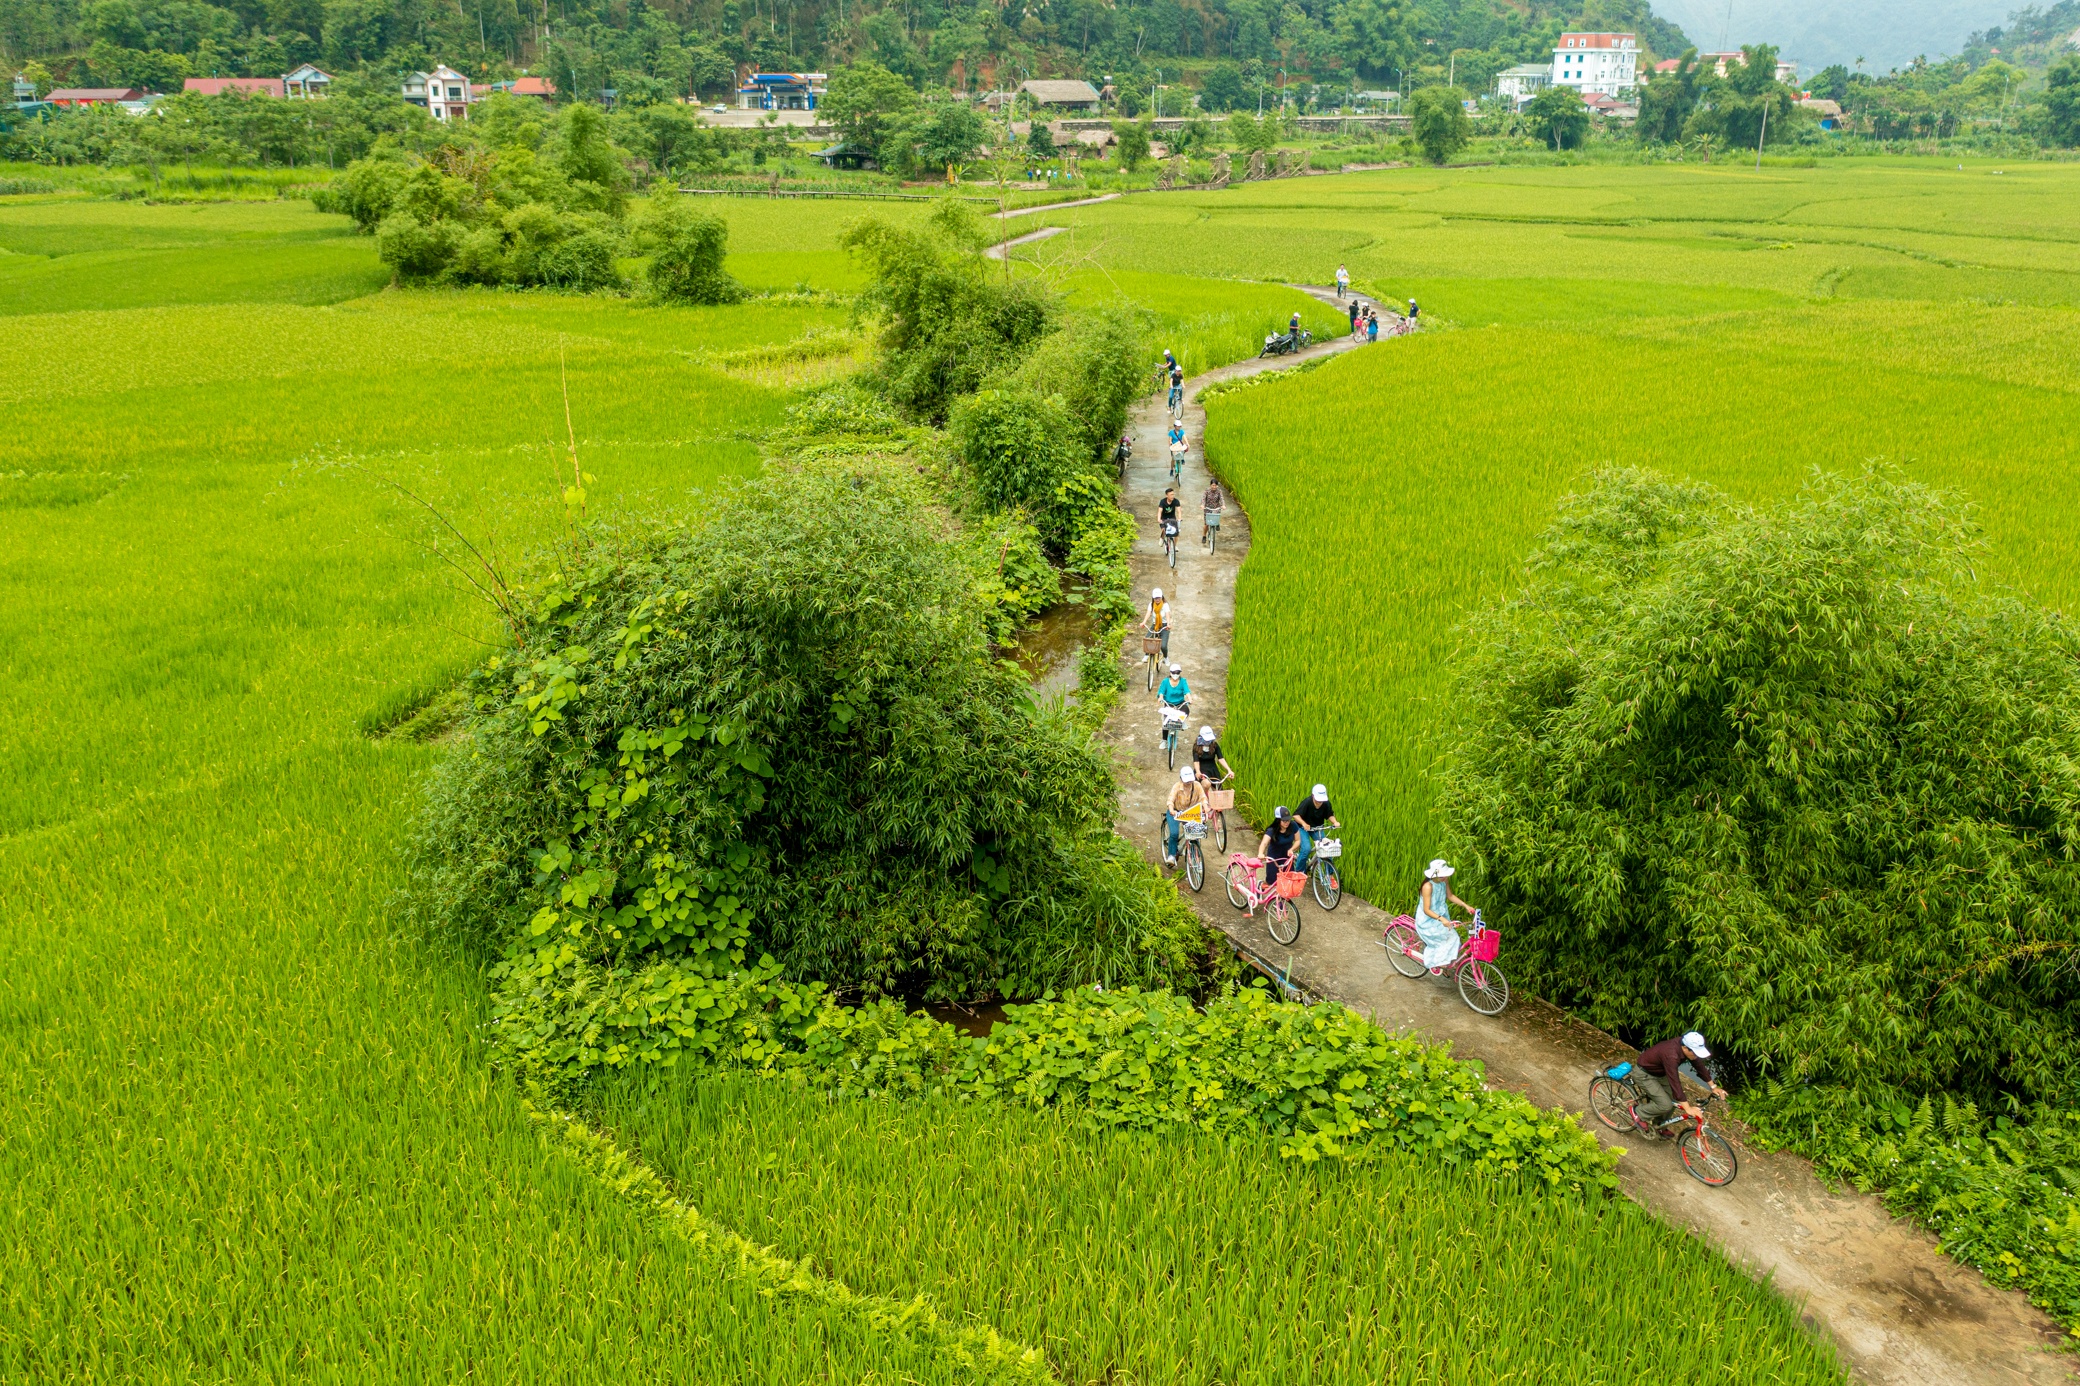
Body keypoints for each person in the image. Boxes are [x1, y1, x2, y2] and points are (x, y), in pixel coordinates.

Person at [1634, 1032, 1727, 1132]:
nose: (1696, 1056)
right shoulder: (1671, 1055)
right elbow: (1675, 1082)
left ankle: (1660, 1125)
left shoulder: (1687, 1047)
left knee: (1674, 1099)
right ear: (1685, 1048)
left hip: (1660, 1072)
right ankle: (1638, 1112)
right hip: (1644, 1074)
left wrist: (1713, 1087)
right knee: (1665, 1105)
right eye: (1695, 1053)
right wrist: (1688, 1108)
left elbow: (1699, 1066)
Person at [1413, 858, 1474, 972]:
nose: (1445, 877)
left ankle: (1443, 961)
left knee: (1453, 936)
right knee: (1448, 938)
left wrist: (1465, 905)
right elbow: (1426, 910)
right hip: (1428, 920)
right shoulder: (1428, 886)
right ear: (1434, 874)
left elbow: (1450, 896)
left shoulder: (1443, 881)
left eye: (1445, 875)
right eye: (1442, 876)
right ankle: (1435, 961)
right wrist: (1441, 919)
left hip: (1441, 917)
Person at [1292, 783, 1340, 872]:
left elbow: (1329, 814)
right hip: (1302, 828)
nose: (1320, 803)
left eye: (1321, 801)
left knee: (1327, 848)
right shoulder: (1307, 802)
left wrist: (1335, 822)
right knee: (1306, 849)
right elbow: (1296, 815)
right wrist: (1304, 823)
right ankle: (1298, 873)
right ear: (1313, 796)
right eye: (1318, 800)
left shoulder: (1326, 803)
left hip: (1317, 828)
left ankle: (1330, 875)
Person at [1164, 765, 1206, 866]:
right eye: (1186, 781)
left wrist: (1206, 808)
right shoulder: (1177, 786)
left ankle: (1196, 858)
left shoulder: (1197, 786)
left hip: (1190, 813)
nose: (1188, 783)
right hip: (1176, 812)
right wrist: (1171, 809)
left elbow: (1203, 798)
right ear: (1181, 779)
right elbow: (1170, 800)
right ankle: (1171, 855)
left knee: (1195, 835)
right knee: (1174, 833)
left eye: (1190, 780)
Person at [1257, 806, 1304, 889]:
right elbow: (1264, 843)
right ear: (1278, 820)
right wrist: (1260, 853)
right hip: (1274, 858)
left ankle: (1280, 900)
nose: (1287, 822)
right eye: (1284, 820)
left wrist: (1291, 849)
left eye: (1288, 820)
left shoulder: (1293, 825)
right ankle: (1261, 886)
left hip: (1287, 858)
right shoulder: (1272, 830)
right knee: (1271, 882)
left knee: (1288, 880)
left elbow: (1298, 840)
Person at [1156, 662, 1190, 746]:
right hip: (1169, 704)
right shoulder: (1165, 682)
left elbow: (1187, 691)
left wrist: (1190, 698)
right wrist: (1160, 697)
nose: (1175, 675)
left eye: (1177, 673)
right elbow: (1161, 691)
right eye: (1174, 673)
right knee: (1166, 722)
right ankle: (1164, 740)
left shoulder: (1183, 681)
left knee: (1186, 710)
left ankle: (1182, 721)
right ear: (1170, 673)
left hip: (1180, 703)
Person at [1145, 587, 1170, 659]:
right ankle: (1146, 655)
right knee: (1147, 640)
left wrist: (1168, 624)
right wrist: (1144, 622)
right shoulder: (1151, 604)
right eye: (1156, 598)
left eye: (1159, 597)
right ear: (1153, 598)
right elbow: (1148, 613)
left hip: (1164, 626)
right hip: (1155, 625)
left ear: (1161, 597)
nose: (1157, 599)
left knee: (1163, 646)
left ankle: (1165, 657)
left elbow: (1167, 615)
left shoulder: (1165, 605)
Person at [1158, 487, 1182, 551]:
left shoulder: (1176, 501)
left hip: (1172, 519)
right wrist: (1159, 519)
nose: (1172, 496)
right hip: (1164, 519)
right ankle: (1162, 538)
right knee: (1164, 529)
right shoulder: (1162, 501)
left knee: (1176, 532)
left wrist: (1179, 518)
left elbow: (1179, 511)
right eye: (1171, 495)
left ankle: (1175, 546)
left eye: (1173, 494)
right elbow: (1160, 511)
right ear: (1167, 495)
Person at [1201, 479, 1224, 545]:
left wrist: (1223, 505)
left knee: (1216, 516)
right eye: (1213, 485)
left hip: (1216, 508)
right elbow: (1203, 498)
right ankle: (1204, 536)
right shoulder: (1207, 491)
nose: (1214, 487)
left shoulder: (1219, 491)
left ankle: (1217, 523)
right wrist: (1202, 505)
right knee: (1206, 524)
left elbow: (1222, 498)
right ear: (1210, 485)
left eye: (1215, 485)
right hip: (1207, 508)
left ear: (1217, 486)